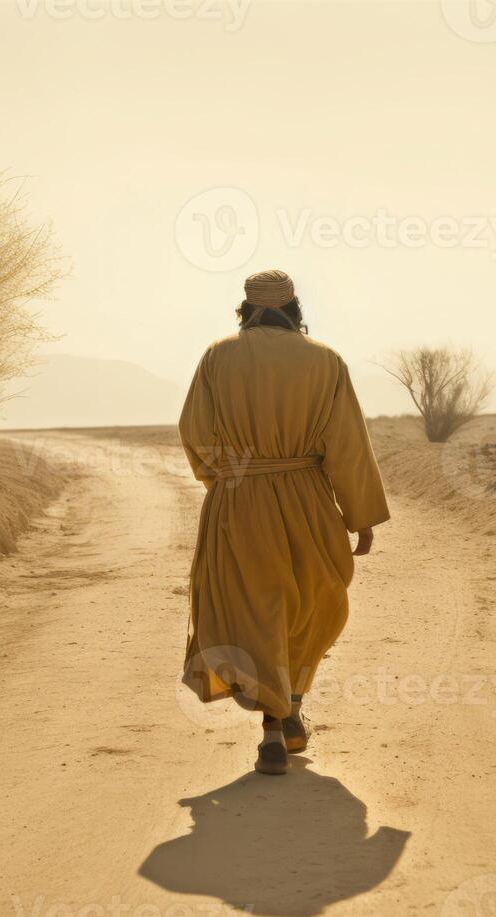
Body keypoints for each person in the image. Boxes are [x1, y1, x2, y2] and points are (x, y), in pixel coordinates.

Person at [179, 270, 390, 775]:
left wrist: (227, 482)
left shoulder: (217, 357)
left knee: (256, 608)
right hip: (308, 502)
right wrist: (360, 516)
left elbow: (195, 431)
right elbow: (347, 446)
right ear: (294, 307)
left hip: (240, 500)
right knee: (313, 605)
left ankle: (274, 728)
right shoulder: (325, 361)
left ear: (244, 307)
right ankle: (288, 709)